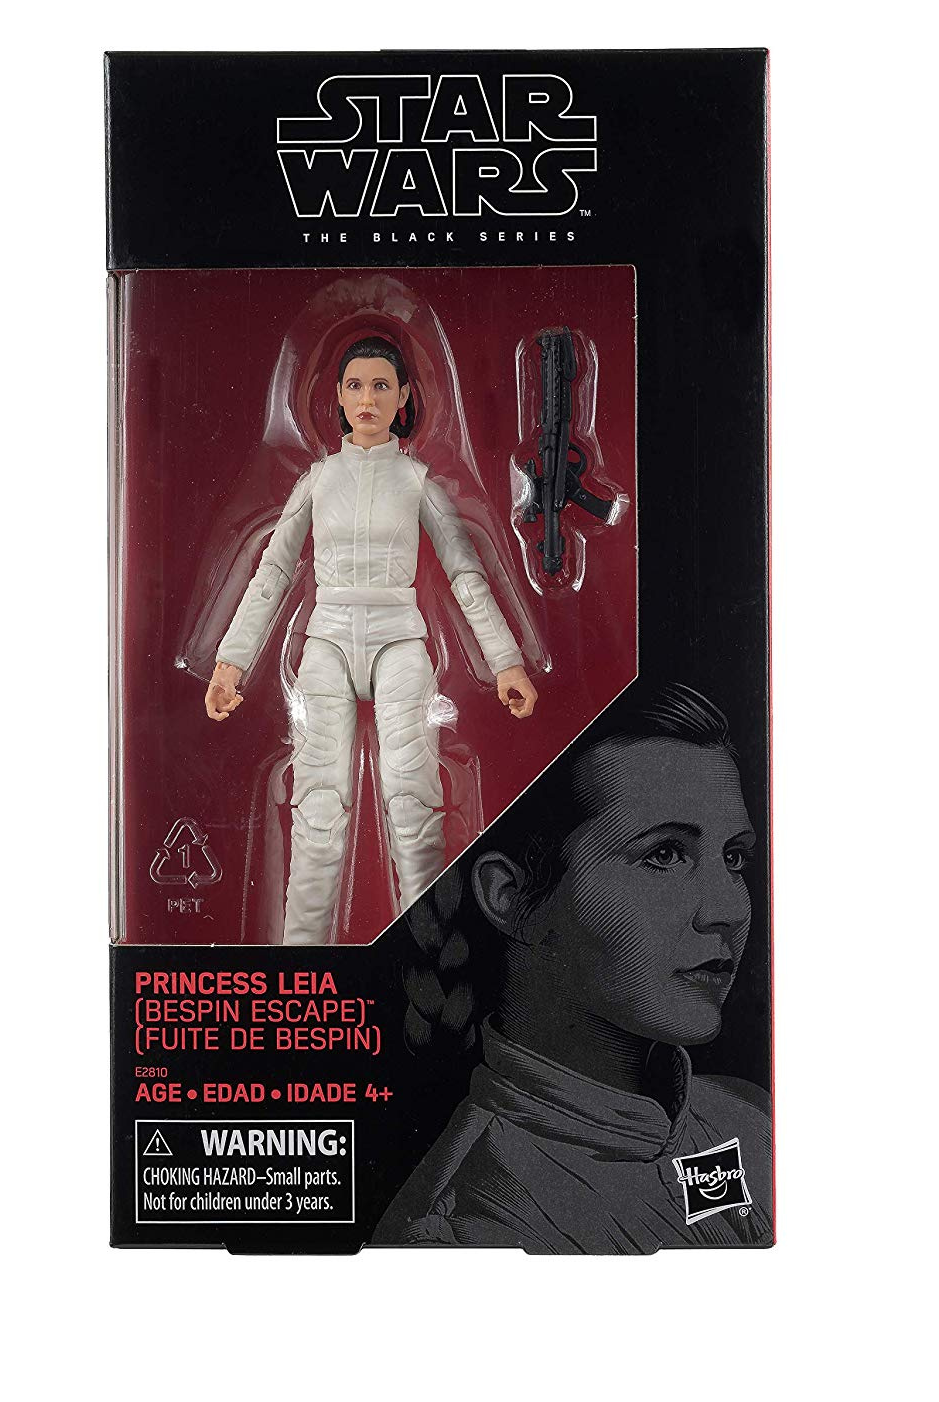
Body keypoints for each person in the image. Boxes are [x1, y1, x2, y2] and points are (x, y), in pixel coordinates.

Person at [374, 682, 773, 1253]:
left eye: (734, 857)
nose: (729, 909)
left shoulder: (747, 1120)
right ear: (509, 896)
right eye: (664, 854)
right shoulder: (466, 1229)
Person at [204, 336, 538, 946]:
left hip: (400, 642)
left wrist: (506, 663)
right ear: (337, 395)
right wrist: (231, 662)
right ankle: (304, 963)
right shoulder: (317, 481)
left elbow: (465, 572)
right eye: (355, 386)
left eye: (381, 386)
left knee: (413, 807)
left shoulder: (417, 482)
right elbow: (273, 571)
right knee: (317, 813)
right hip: (327, 643)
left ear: (404, 396)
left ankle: (429, 961)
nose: (368, 399)